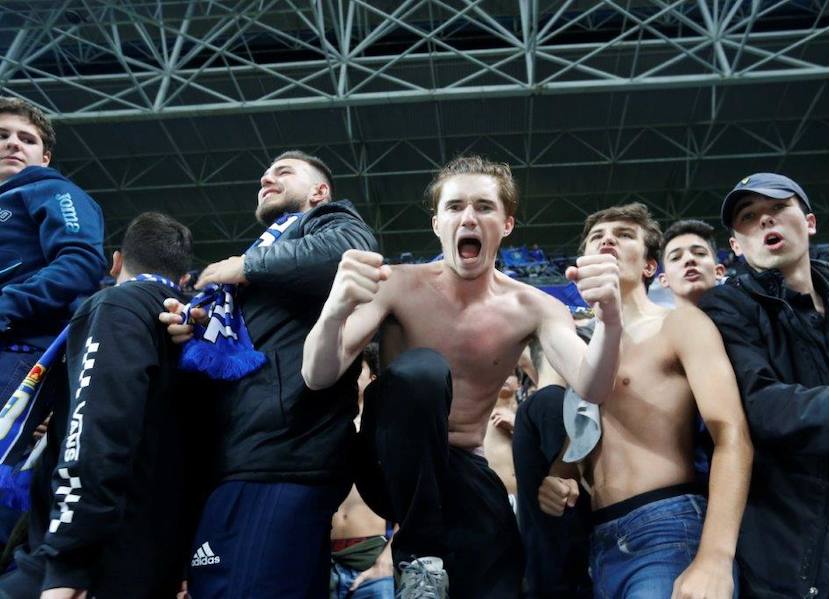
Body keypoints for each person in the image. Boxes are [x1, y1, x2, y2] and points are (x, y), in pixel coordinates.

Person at [302, 155, 622, 598]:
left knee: (503, 574)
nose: (468, 217)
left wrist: (609, 320)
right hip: (387, 459)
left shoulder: (535, 306)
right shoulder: (395, 283)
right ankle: (418, 556)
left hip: (462, 469)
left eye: (484, 207)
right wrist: (335, 311)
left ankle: (431, 560)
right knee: (424, 369)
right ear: (437, 224)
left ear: (506, 224)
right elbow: (318, 375)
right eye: (455, 207)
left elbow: (593, 387)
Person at [160, 151, 378, 598]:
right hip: (235, 460)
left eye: (284, 172)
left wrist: (246, 266)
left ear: (319, 191)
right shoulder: (269, 256)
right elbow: (258, 338)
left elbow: (351, 253)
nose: (266, 178)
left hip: (285, 456)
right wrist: (200, 325)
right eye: (265, 174)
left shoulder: (328, 221)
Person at [700, 172, 829, 596]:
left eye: (778, 208)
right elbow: (764, 405)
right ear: (736, 247)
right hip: (804, 533)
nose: (765, 221)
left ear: (808, 222)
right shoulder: (727, 306)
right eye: (750, 217)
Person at [538, 203, 752, 598]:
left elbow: (732, 434)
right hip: (599, 541)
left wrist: (715, 558)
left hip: (668, 528)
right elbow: (584, 436)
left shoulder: (680, 324)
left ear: (650, 266)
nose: (607, 239)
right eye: (597, 236)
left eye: (623, 234)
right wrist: (560, 477)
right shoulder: (580, 351)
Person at [0, 212, 195, 599]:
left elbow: (98, 432)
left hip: (89, 562)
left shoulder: (117, 305)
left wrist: (68, 561)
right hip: (157, 556)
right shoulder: (200, 329)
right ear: (185, 280)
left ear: (116, 262)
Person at [0, 97, 105, 537]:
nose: (13, 144)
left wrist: (6, 305)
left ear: (44, 157)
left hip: (16, 360)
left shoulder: (50, 190)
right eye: (3, 136)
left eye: (27, 138)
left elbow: (80, 262)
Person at [512, 332, 592, 598]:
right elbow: (567, 487)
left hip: (548, 567)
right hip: (564, 571)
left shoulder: (536, 404)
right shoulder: (552, 402)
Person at [330, 344, 394, 599]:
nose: (350, 375)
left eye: (358, 370)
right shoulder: (329, 428)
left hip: (373, 552)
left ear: (374, 379)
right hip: (326, 557)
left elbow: (410, 494)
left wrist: (387, 558)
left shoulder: (387, 429)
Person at [658, 219, 725, 307]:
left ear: (718, 271)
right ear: (664, 280)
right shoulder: (658, 321)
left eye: (700, 253)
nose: (689, 259)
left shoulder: (745, 316)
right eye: (675, 258)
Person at [484, 371, 518, 503]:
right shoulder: (479, 418)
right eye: (504, 371)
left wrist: (518, 425)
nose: (505, 376)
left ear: (519, 384)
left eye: (511, 373)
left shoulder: (528, 415)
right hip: (494, 499)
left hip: (528, 499)